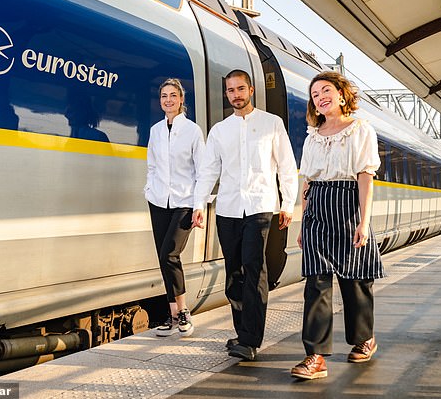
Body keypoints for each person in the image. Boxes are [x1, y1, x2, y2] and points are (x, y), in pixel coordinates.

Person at [192, 69, 298, 361]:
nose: (235, 95)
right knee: (234, 272)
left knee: (254, 268)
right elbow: (209, 170)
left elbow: (286, 166)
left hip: (260, 207)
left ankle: (251, 339)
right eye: (230, 90)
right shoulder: (219, 130)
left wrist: (288, 203)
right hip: (228, 208)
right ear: (226, 94)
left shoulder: (271, 124)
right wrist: (198, 204)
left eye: (240, 89)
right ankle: (241, 333)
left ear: (251, 90)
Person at [290, 71, 386, 380]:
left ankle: (364, 339)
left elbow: (365, 178)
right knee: (315, 284)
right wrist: (303, 222)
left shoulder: (361, 130)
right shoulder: (312, 134)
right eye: (315, 93)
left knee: (355, 280)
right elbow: (307, 181)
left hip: (348, 205)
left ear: (342, 94)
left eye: (326, 90)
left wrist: (364, 221)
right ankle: (315, 356)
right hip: (317, 205)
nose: (320, 96)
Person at [145, 78, 205, 337]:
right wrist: (149, 189)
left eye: (172, 95)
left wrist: (199, 204)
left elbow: (202, 170)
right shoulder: (155, 130)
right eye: (163, 96)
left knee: (170, 253)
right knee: (163, 257)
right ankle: (172, 317)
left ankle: (183, 312)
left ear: (181, 100)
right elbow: (152, 165)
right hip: (158, 200)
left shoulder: (193, 131)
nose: (168, 100)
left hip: (184, 202)